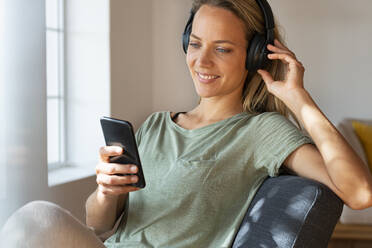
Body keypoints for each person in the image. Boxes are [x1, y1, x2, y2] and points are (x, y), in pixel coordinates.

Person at [2, 0, 372, 247]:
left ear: (256, 54)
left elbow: (359, 193)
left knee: (36, 218)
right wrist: (107, 190)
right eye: (195, 44)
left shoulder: (261, 132)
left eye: (222, 49)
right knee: (37, 222)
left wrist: (298, 97)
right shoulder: (154, 126)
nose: (202, 61)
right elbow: (99, 226)